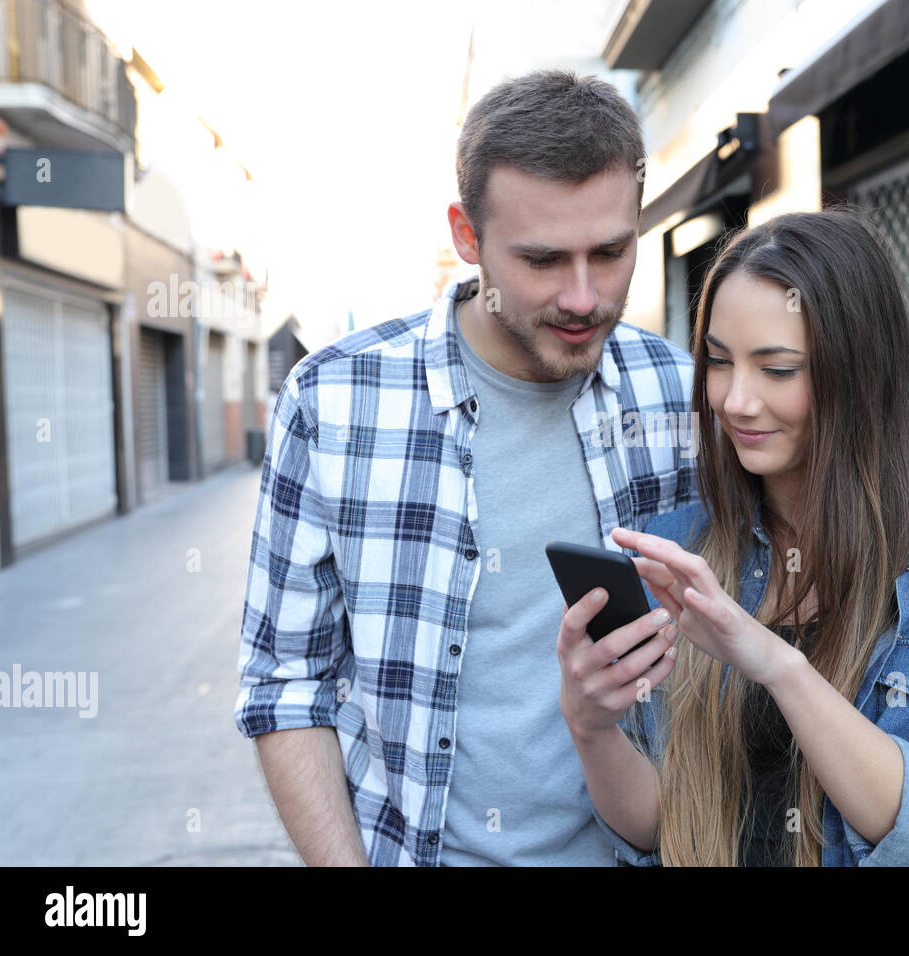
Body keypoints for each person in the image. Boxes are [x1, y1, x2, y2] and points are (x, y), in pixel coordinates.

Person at [234, 69, 698, 866]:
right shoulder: (336, 401)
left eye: (612, 252)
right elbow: (286, 682)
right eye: (544, 259)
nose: (585, 297)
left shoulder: (681, 394)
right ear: (466, 234)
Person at [556, 208, 909, 866]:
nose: (735, 400)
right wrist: (591, 728)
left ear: (859, 370)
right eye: (719, 362)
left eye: (778, 369)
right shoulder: (679, 543)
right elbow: (661, 827)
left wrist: (777, 664)